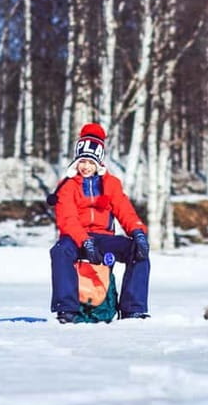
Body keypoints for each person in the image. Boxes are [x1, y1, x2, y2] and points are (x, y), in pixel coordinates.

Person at [49, 123, 151, 323]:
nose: (85, 166)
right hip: (76, 237)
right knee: (60, 250)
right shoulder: (68, 186)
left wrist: (138, 233)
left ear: (99, 162)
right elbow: (67, 219)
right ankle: (66, 309)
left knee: (137, 251)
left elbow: (124, 209)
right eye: (82, 161)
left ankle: (133, 309)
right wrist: (85, 241)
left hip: (104, 238)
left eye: (90, 162)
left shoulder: (111, 184)